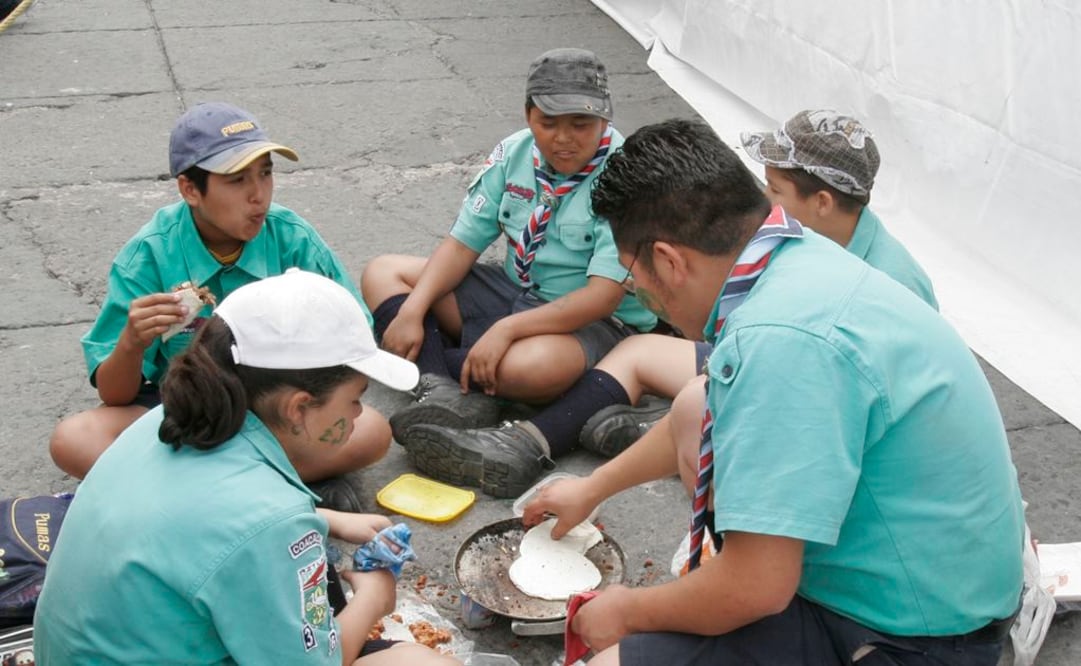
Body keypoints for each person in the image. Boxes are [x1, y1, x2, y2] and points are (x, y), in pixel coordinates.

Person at [524, 119, 1024, 665]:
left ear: (669, 260)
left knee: (611, 657)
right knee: (695, 402)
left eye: (631, 274)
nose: (636, 289)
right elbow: (711, 408)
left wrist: (625, 611)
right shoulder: (789, 253)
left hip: (911, 639)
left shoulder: (782, 342)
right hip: (929, 581)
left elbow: (757, 588)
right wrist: (591, 489)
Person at [406, 110, 939, 492]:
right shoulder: (802, 253)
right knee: (673, 383)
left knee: (688, 394)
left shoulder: (872, 287)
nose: (760, 202)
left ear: (822, 202)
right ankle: (547, 431)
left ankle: (548, 431)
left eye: (774, 189)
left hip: (849, 443)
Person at [34, 270, 458, 666]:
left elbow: (205, 521)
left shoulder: (165, 420)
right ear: (298, 408)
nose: (357, 414)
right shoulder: (269, 518)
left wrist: (327, 519)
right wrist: (373, 599)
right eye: (353, 399)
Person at [48, 102, 390, 511]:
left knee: (372, 432)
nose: (257, 195)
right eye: (236, 180)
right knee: (73, 439)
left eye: (265, 174)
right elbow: (115, 395)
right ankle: (272, 486)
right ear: (190, 189)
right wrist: (131, 343)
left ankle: (198, 497)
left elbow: (357, 342)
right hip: (184, 412)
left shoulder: (292, 239)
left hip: (273, 409)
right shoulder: (148, 256)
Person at [361, 48, 656, 498]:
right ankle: (440, 385)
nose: (564, 139)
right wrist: (413, 309)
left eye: (581, 124)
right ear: (527, 115)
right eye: (547, 122)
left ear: (605, 121)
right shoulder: (512, 153)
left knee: (528, 367)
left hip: (590, 319)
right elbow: (462, 245)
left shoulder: (626, 174)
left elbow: (603, 296)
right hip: (514, 288)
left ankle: (476, 380)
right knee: (384, 273)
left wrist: (506, 330)